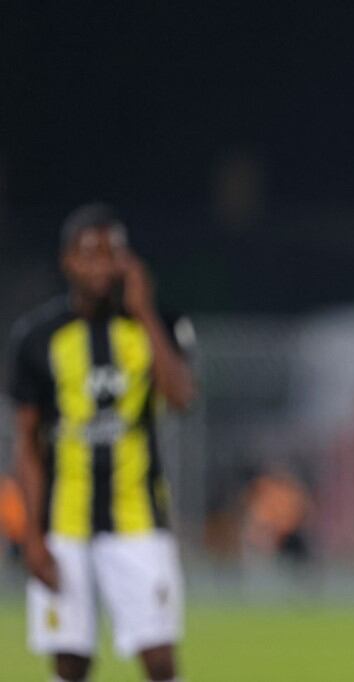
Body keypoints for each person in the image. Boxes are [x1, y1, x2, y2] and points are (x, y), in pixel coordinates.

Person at [8, 203, 196, 682]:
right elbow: (26, 442)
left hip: (138, 517)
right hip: (64, 522)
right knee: (70, 662)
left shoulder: (157, 324)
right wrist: (31, 537)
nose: (101, 266)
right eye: (89, 254)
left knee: (159, 659)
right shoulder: (37, 338)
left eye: (112, 253)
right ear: (67, 261)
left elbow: (181, 397)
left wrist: (144, 310)